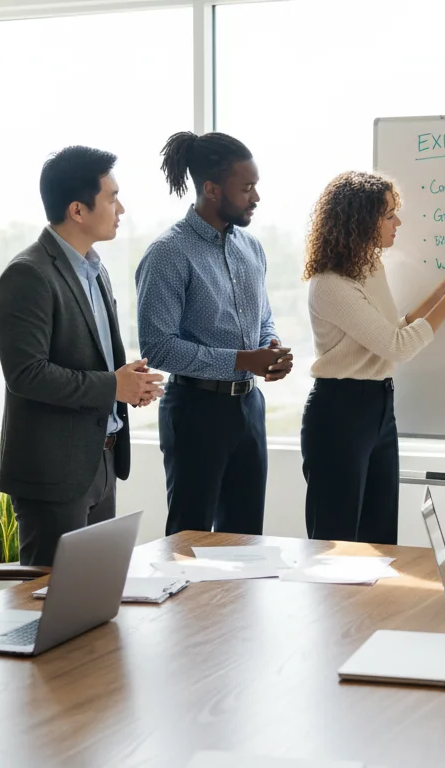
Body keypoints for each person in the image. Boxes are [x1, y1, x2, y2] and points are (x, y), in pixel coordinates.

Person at [0, 145, 164, 566]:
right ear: (77, 210)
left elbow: (91, 361)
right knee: (49, 600)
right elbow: (27, 374)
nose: (121, 209)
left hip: (102, 461)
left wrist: (129, 384)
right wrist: (112, 386)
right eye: (112, 197)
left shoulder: (96, 270)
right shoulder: (27, 274)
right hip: (53, 474)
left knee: (96, 597)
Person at [301, 171, 445, 544]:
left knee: (381, 538)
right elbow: (398, 346)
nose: (397, 222)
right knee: (334, 541)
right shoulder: (330, 284)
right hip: (339, 411)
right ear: (361, 220)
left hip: (378, 407)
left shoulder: (370, 269)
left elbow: (389, 332)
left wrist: (440, 293)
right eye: (388, 215)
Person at [136, 131, 293, 537]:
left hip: (249, 409)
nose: (256, 197)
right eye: (247, 188)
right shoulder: (168, 253)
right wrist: (243, 360)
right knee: (189, 540)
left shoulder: (252, 248)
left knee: (246, 539)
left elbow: (263, 318)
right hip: (195, 412)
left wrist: (270, 347)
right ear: (211, 189)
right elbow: (158, 347)